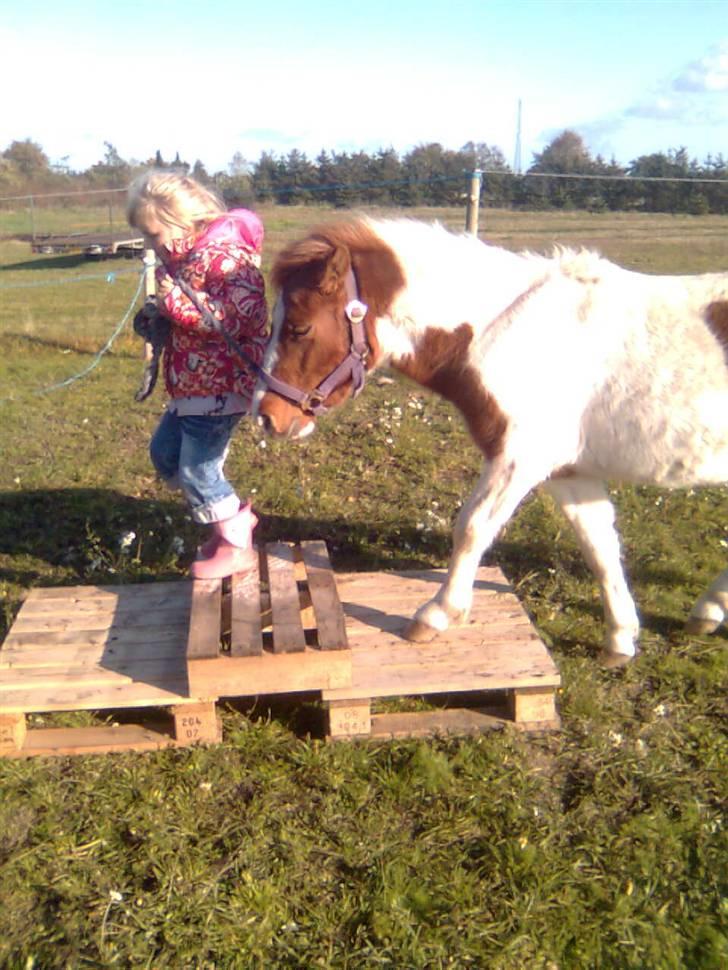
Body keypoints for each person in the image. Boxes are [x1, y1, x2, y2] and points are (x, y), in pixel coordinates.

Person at [127, 172, 268, 579]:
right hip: (191, 385)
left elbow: (243, 316)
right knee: (166, 455)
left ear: (181, 220)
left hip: (222, 384)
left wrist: (174, 302)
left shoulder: (226, 257)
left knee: (197, 471)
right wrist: (159, 318)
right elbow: (186, 316)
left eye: (153, 234)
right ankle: (225, 523)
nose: (150, 244)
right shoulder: (180, 261)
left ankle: (236, 544)